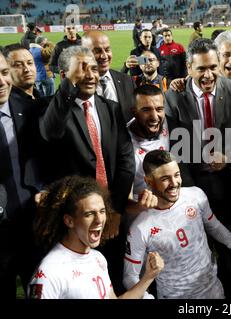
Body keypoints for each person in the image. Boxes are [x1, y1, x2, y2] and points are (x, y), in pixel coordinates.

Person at [38, 45, 135, 295]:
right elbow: (50, 132)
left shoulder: (111, 108)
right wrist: (68, 85)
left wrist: (113, 211)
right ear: (65, 75)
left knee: (112, 278)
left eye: (93, 68)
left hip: (111, 216)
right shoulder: (52, 109)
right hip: (75, 222)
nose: (91, 75)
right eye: (81, 70)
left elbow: (126, 162)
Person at [164, 38, 231, 298]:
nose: (209, 74)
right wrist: (188, 191)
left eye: (213, 66)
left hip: (229, 183)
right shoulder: (174, 95)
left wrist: (230, 157)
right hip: (193, 183)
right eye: (201, 69)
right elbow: (175, 146)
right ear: (189, 68)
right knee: (196, 251)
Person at [123, 150, 231, 298]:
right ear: (148, 181)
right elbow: (130, 276)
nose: (174, 183)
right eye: (165, 178)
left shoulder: (195, 195)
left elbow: (214, 226)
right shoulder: (140, 227)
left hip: (213, 289)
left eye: (177, 175)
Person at [28, 175, 164, 299]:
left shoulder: (97, 258)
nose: (99, 220)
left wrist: (148, 276)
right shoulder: (49, 273)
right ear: (69, 221)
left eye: (102, 211)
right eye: (89, 214)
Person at [0, 51, 46, 298]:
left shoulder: (30, 109)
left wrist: (44, 189)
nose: (1, 81)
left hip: (33, 222)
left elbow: (48, 159)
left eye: (5, 73)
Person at [127, 85, 170, 208]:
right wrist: (139, 207)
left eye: (159, 109)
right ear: (134, 111)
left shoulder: (172, 125)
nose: (155, 117)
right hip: (142, 210)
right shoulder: (122, 143)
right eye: (146, 110)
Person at [82, 31, 136, 124]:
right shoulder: (77, 86)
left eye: (107, 50)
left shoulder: (127, 81)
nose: (104, 56)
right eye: (97, 51)